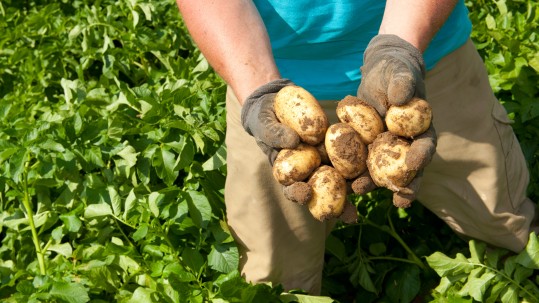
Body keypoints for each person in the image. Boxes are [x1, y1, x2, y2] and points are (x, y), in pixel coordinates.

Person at [176, 0, 536, 295]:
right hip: (264, 79)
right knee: (272, 270)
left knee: (500, 214)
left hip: (422, 55)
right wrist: (257, 92)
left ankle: (520, 274)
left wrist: (399, 46)